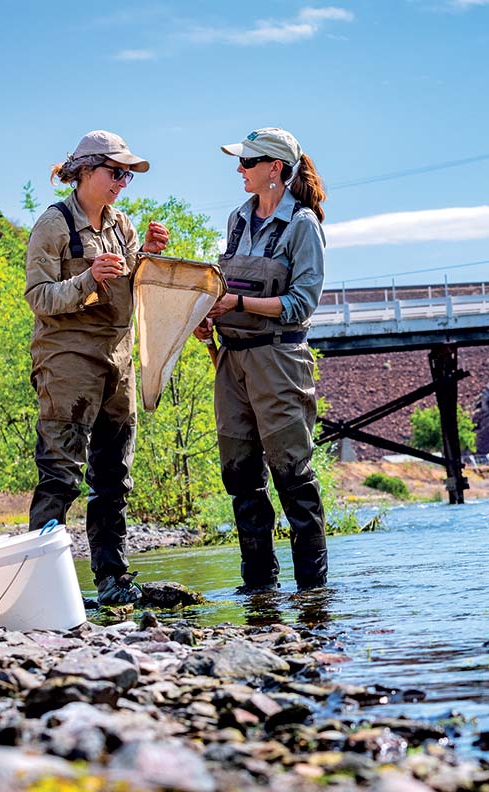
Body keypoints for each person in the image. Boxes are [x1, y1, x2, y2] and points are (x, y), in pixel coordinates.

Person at [24, 130, 169, 605]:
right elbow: (38, 298)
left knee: (113, 477)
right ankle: (39, 586)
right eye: (116, 172)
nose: (123, 182)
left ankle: (112, 580)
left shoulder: (121, 225)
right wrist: (88, 279)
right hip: (67, 360)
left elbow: (133, 290)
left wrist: (146, 256)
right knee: (60, 474)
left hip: (118, 360)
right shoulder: (53, 225)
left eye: (127, 174)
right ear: (85, 171)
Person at [196, 127, 328, 593]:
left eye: (248, 162)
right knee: (240, 477)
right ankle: (259, 590)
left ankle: (313, 594)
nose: (240, 169)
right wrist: (205, 317)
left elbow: (301, 305)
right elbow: (222, 289)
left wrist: (238, 305)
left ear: (275, 168)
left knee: (293, 474)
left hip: (279, 362)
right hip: (230, 363)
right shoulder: (236, 219)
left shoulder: (303, 226)